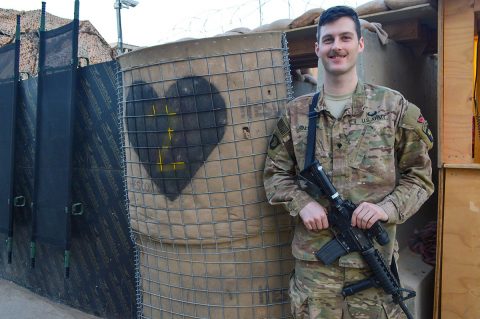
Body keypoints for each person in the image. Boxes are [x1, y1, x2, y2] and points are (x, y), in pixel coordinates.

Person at [263, 5, 434, 319]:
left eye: (345, 37)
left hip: (374, 266)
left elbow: (419, 177)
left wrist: (387, 208)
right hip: (315, 274)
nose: (336, 46)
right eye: (328, 40)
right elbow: (275, 173)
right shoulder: (296, 113)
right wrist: (301, 202)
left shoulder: (393, 107)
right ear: (318, 48)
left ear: (360, 44)